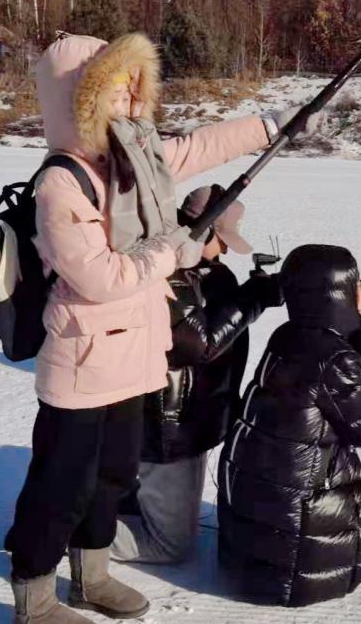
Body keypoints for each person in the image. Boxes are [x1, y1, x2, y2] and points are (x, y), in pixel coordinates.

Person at [6, 31, 320, 624]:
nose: (130, 104)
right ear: (81, 99)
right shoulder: (62, 182)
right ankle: (34, 597)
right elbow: (97, 278)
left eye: (133, 90)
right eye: (116, 93)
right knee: (60, 485)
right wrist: (170, 253)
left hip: (133, 360)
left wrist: (273, 125)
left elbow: (200, 147)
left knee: (114, 476)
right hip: (82, 364)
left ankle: (91, 576)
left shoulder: (136, 162)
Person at [110, 185, 284, 564]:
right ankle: (68, 534)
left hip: (186, 418)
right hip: (166, 426)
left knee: (138, 498)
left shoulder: (207, 272)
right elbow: (192, 344)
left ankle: (95, 510)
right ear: (201, 231)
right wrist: (252, 298)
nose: (223, 249)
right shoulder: (163, 270)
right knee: (170, 547)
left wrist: (252, 292)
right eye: (220, 240)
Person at [216, 244, 361, 607]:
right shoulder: (335, 358)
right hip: (292, 567)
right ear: (339, 294)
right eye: (358, 284)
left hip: (254, 534)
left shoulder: (287, 335)